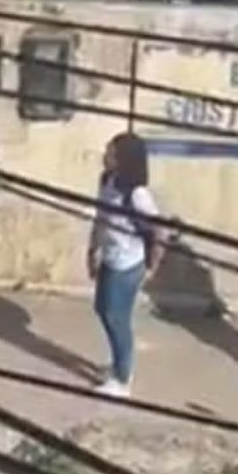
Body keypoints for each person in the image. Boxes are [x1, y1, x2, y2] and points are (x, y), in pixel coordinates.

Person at [87, 133, 166, 397]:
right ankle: (118, 364)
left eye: (110, 153)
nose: (105, 156)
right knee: (102, 309)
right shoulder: (107, 181)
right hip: (110, 257)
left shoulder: (138, 195)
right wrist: (93, 249)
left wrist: (152, 266)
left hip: (128, 264)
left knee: (116, 317)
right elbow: (100, 217)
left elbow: (159, 231)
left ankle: (122, 379)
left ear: (123, 159)